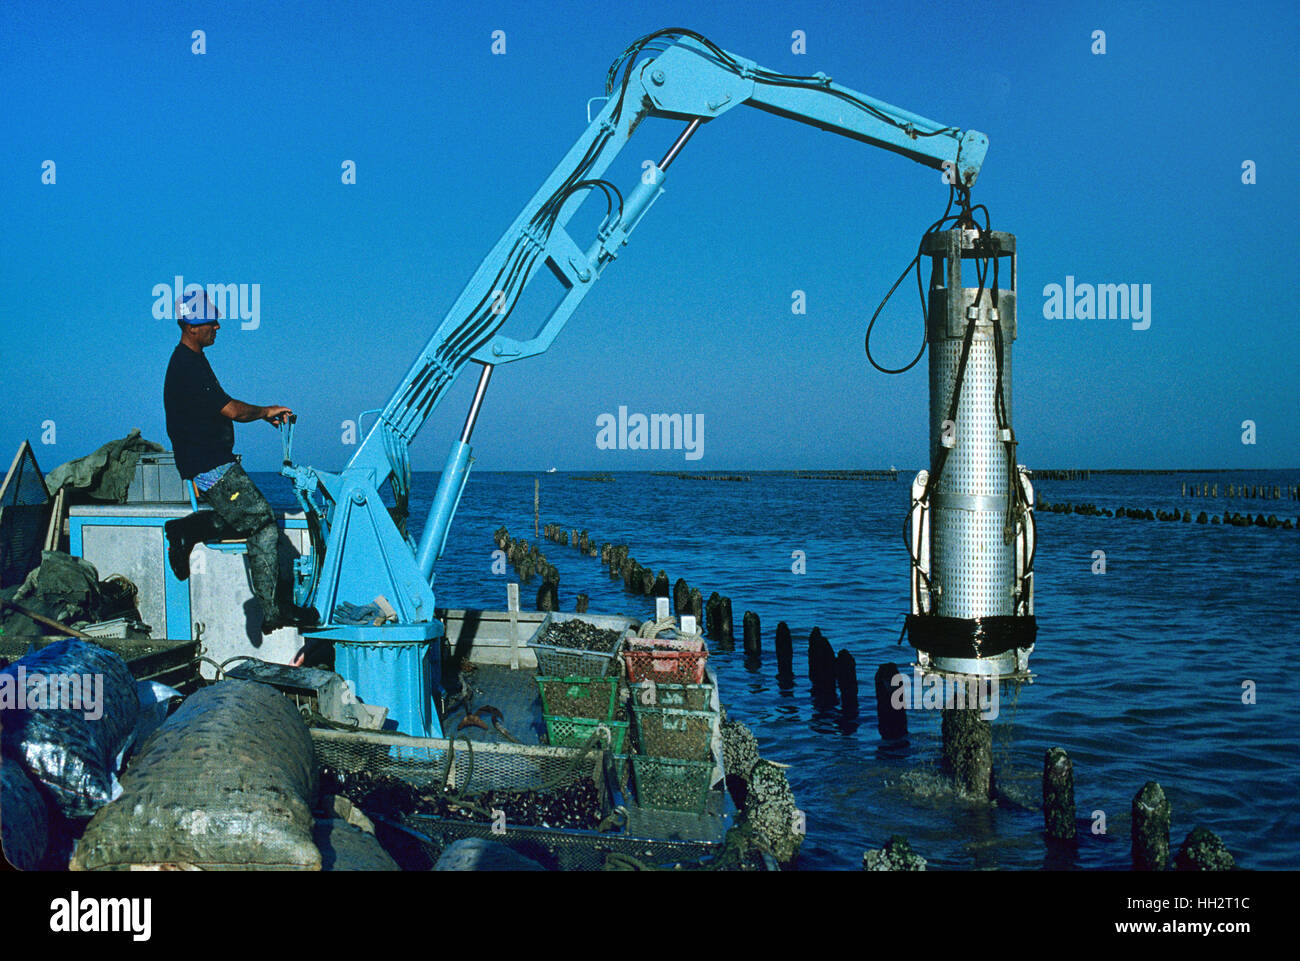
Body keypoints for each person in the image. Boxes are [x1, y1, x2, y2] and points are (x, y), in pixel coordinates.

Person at [162, 289, 317, 635]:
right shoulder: (187, 365)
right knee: (261, 521)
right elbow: (230, 409)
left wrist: (260, 416)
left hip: (209, 461)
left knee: (249, 518)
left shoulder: (192, 360)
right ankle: (275, 612)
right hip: (211, 464)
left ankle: (185, 531)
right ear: (191, 327)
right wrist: (265, 411)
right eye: (210, 321)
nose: (217, 325)